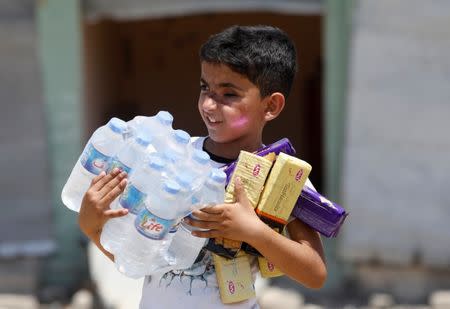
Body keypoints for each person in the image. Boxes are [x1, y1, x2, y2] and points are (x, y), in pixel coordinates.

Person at [78, 25, 327, 308]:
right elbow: (142, 259)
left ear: (270, 106)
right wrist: (92, 227)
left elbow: (315, 273)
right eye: (204, 87)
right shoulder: (171, 160)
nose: (209, 104)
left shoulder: (280, 178)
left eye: (228, 94)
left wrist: (254, 231)